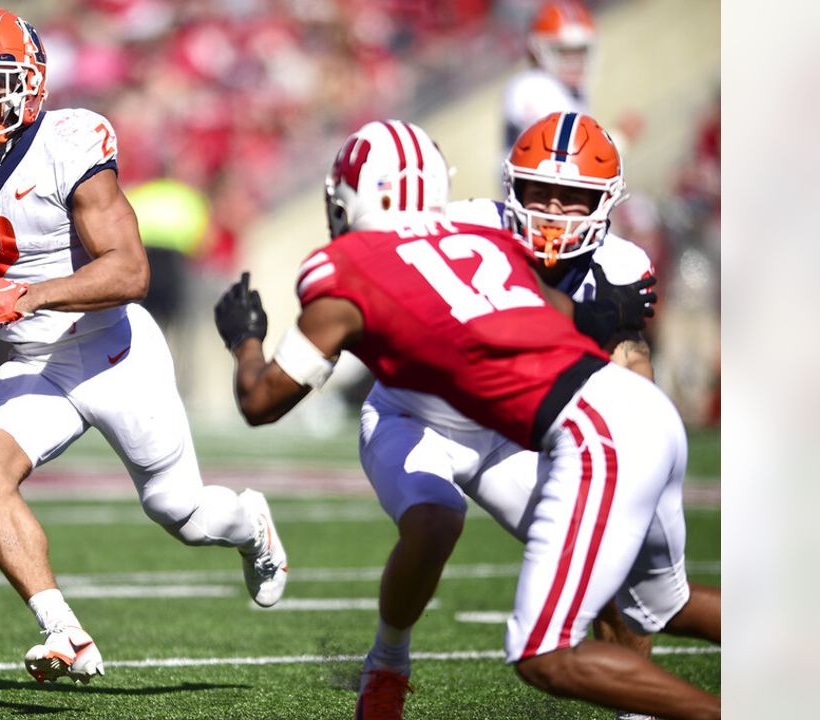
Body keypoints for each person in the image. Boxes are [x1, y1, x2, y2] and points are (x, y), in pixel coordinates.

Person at [214, 119, 720, 719]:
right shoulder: (485, 234)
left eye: (574, 198)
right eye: (538, 194)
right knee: (653, 600)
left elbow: (262, 401)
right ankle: (388, 669)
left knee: (552, 646)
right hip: (477, 414)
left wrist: (247, 340)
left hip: (570, 428)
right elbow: (540, 310)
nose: (554, 211)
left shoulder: (351, 267)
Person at [0, 6, 288, 685]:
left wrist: (33, 295)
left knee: (178, 512)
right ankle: (64, 632)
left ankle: (251, 526)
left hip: (110, 351)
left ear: (31, 81)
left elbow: (131, 271)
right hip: (32, 363)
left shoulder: (71, 141)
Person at [503, 0, 594, 150]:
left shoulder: (575, 89)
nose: (574, 62)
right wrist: (619, 139)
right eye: (564, 52)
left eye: (579, 52)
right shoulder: (529, 89)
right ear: (539, 50)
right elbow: (559, 155)